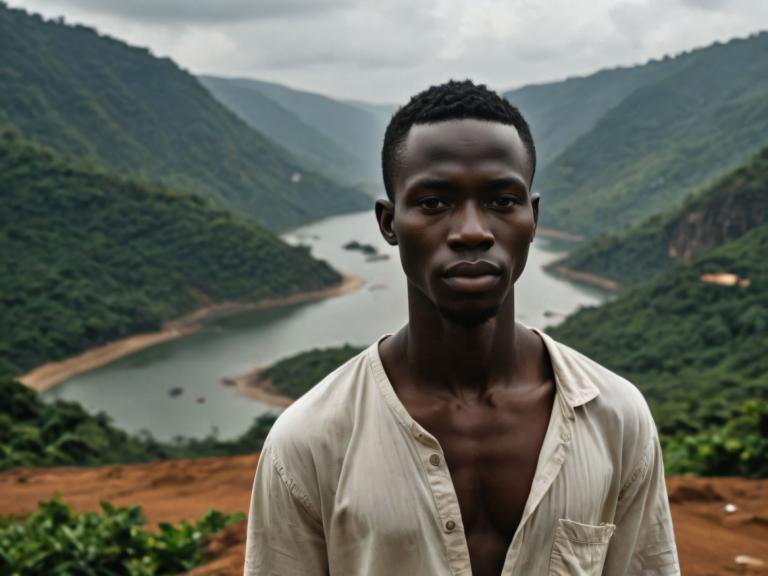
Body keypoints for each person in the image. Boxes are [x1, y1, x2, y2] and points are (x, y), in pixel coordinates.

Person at [243, 80, 680, 576]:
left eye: (501, 201)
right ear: (389, 222)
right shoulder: (310, 441)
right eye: (434, 203)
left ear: (532, 217)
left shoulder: (616, 420)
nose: (472, 230)